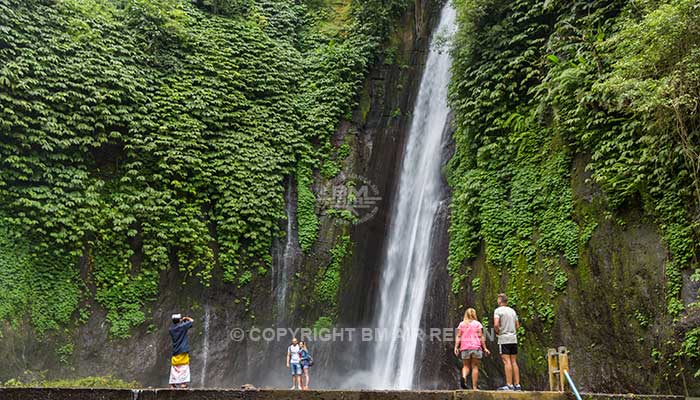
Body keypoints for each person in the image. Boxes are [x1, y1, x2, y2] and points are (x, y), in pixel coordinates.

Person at [454, 308, 490, 390]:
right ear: (474, 314)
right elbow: (481, 336)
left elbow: (458, 336)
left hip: (465, 347)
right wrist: (485, 348)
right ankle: (474, 387)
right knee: (475, 367)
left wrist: (456, 347)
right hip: (476, 347)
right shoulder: (477, 324)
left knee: (466, 366)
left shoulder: (462, 324)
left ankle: (464, 377)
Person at [494, 293, 521, 391]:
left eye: (498, 299)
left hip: (504, 338)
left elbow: (496, 324)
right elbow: (517, 326)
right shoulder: (512, 311)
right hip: (513, 338)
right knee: (514, 361)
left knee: (506, 361)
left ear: (500, 300)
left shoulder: (498, 311)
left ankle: (509, 385)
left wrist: (498, 332)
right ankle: (517, 385)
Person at [168, 313, 194, 389]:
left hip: (175, 351)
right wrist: (186, 318)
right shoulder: (183, 327)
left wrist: (181, 321)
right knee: (184, 366)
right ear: (179, 320)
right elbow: (192, 321)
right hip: (183, 350)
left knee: (175, 367)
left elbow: (178, 327)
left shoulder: (171, 329)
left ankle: (173, 384)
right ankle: (183, 383)